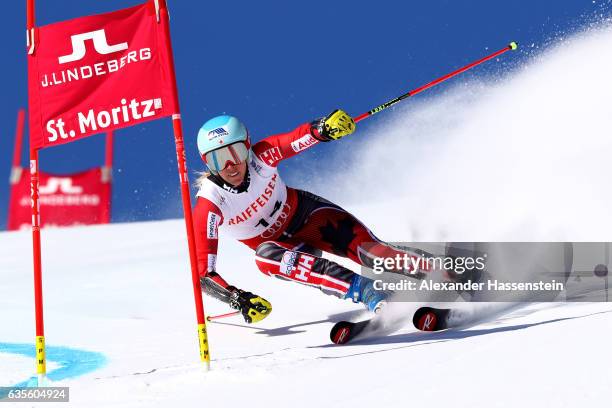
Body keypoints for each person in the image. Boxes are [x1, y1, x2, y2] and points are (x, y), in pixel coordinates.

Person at [193, 110, 425, 324]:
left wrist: (322, 129)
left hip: (311, 217)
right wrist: (237, 298)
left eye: (236, 152)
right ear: (207, 162)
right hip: (287, 250)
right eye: (217, 159)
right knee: (265, 259)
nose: (230, 165)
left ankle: (438, 269)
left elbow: (292, 141)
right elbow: (204, 274)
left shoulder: (260, 158)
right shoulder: (211, 203)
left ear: (247, 147)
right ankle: (367, 290)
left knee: (373, 254)